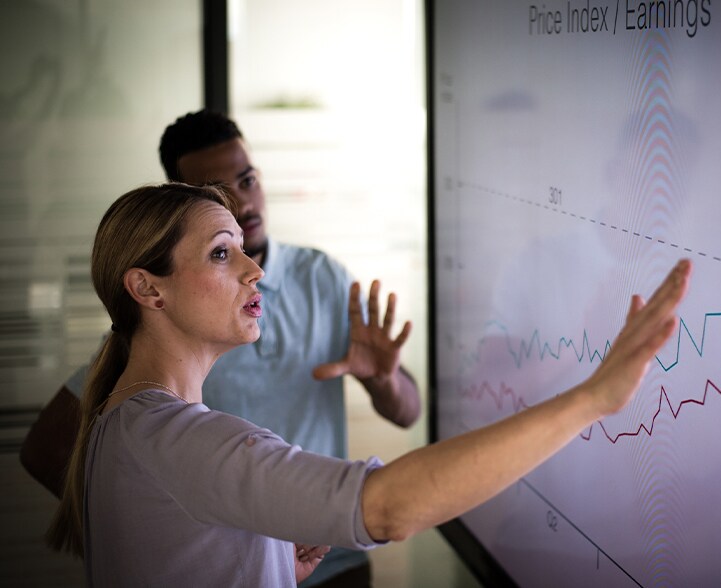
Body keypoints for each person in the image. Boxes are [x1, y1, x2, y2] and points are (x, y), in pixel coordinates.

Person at [46, 182, 691, 586]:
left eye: (243, 248)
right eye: (221, 253)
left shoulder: (125, 421)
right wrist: (589, 399)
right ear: (146, 288)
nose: (254, 272)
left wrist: (267, 567)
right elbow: (387, 508)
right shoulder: (174, 436)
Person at [20, 110, 421, 586]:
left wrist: (260, 557)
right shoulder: (171, 415)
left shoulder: (323, 279)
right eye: (218, 251)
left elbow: (408, 411)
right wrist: (181, 546)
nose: (245, 203)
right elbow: (388, 506)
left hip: (319, 560)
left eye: (248, 180)